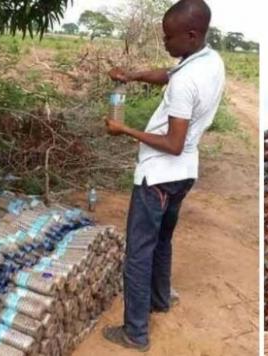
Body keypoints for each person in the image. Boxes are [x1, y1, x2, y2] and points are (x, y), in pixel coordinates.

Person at [101, 0, 225, 351]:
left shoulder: (187, 82)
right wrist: (133, 75)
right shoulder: (209, 60)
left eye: (169, 38)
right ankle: (160, 299)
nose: (166, 43)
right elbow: (169, 74)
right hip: (184, 175)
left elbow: (172, 143)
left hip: (158, 176)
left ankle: (135, 333)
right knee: (163, 241)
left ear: (191, 34)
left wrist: (124, 129)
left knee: (138, 252)